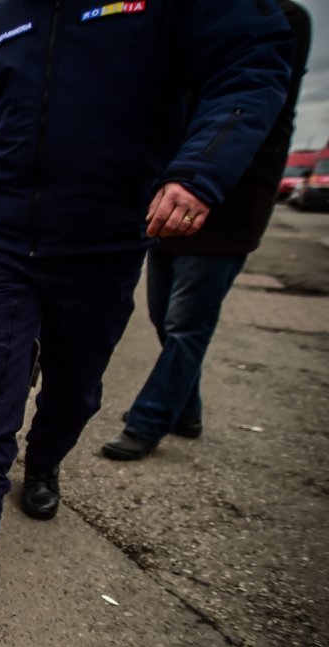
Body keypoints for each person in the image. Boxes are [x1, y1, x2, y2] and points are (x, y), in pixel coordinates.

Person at [0, 0, 294, 604]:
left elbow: (254, 58)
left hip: (103, 241)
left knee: (76, 387)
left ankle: (43, 463)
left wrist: (198, 169)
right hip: (2, 242)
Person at [102, 0, 312, 462]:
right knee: (162, 314)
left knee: (186, 324)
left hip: (227, 204)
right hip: (168, 197)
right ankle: (186, 410)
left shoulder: (281, 19)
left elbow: (254, 104)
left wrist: (208, 179)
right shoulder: (189, 16)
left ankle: (149, 419)